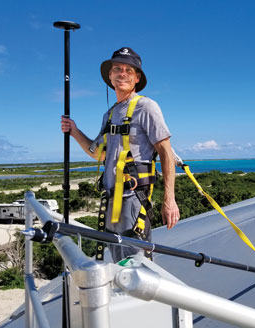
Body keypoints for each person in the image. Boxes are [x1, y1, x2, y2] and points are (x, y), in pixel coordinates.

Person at [61, 47, 180, 261]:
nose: (122, 73)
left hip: (133, 200)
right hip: (109, 201)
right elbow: (98, 153)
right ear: (110, 75)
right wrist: (75, 131)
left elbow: (166, 152)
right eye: (117, 69)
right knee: (118, 263)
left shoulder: (146, 107)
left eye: (128, 70)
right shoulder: (109, 114)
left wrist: (169, 200)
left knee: (137, 267)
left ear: (137, 78)